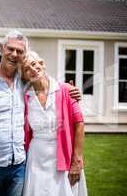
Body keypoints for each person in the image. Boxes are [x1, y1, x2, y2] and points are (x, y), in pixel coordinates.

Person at [0, 30, 81, 196]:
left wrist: (69, 90)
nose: (14, 54)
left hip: (19, 166)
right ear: (1, 48)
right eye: (10, 49)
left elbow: (43, 80)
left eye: (20, 51)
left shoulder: (24, 82)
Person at [21, 51, 87, 196]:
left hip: (63, 155)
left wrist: (77, 159)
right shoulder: (25, 96)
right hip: (36, 159)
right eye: (26, 69)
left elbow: (79, 124)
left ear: (42, 64)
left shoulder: (65, 90)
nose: (32, 69)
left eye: (34, 64)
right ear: (24, 76)